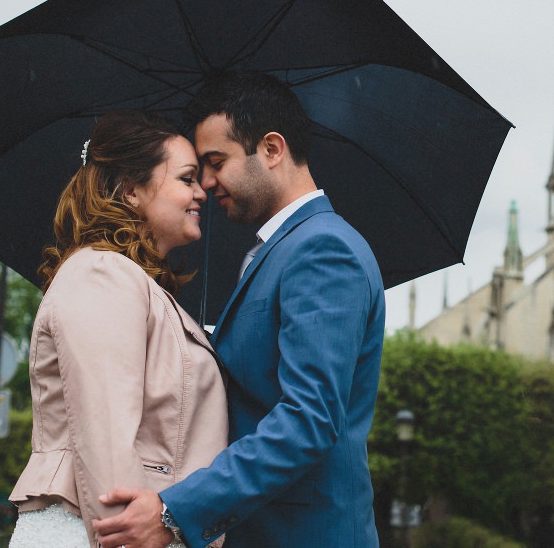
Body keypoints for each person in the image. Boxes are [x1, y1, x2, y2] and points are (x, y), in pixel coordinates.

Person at [94, 73, 386, 548]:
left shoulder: (323, 250)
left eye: (216, 162)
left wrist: (175, 510)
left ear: (272, 149)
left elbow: (307, 421)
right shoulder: (278, 250)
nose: (206, 184)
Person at [8, 109, 229, 548]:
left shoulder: (130, 282)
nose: (202, 189)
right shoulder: (102, 274)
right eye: (185, 178)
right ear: (131, 190)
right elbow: (107, 446)